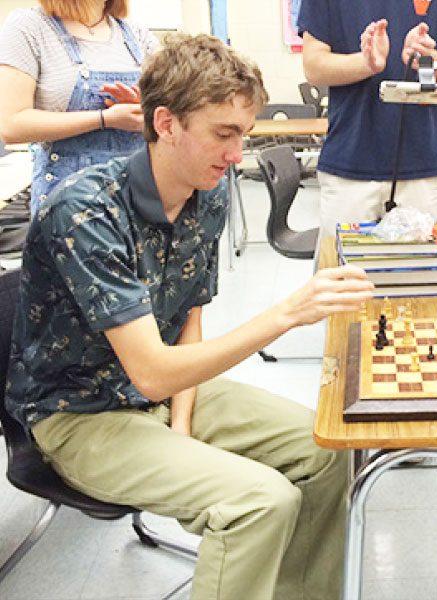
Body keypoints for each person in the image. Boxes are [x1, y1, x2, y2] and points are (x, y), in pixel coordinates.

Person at [5, 33, 374, 600]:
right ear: (167, 123)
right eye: (223, 134)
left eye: (243, 135)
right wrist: (285, 315)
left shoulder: (209, 193)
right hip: (81, 415)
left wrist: (182, 427)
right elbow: (151, 370)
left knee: (329, 450)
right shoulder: (85, 212)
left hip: (161, 396)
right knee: (259, 502)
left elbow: (186, 317)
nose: (235, 155)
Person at [298, 0, 437, 232]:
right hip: (350, 160)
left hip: (424, 164)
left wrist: (422, 56)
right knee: (345, 266)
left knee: (423, 266)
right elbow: (314, 67)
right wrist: (366, 63)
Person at [0, 0, 156, 216]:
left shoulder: (136, 35)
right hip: (68, 211)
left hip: (137, 202)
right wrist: (104, 119)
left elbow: (174, 113)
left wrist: (146, 110)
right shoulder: (29, 27)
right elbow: (12, 125)